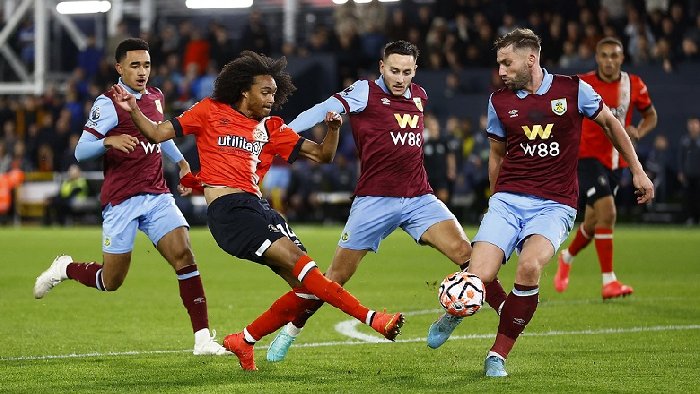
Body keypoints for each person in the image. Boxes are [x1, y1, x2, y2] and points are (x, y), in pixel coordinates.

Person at [111, 50, 404, 371]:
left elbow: (322, 156)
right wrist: (134, 109)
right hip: (230, 212)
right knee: (303, 267)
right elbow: (155, 133)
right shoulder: (209, 111)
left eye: (274, 94)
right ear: (243, 90)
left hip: (261, 209)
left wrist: (333, 129)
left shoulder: (271, 127)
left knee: (308, 288)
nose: (270, 99)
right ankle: (374, 318)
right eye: (264, 92)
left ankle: (245, 340)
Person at [263, 40, 508, 363]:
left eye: (406, 72)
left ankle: (468, 312)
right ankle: (290, 331)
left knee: (469, 256)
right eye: (394, 70)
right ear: (382, 67)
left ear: (415, 72)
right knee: (334, 278)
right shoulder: (365, 92)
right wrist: (283, 132)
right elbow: (321, 109)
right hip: (374, 202)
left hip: (420, 198)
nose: (400, 78)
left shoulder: (420, 96)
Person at [428, 28, 654, 377]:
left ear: (530, 58)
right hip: (508, 201)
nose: (501, 71)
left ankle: (497, 354)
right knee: (480, 273)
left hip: (555, 204)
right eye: (499, 63)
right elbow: (496, 155)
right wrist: (495, 200)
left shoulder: (573, 90)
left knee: (529, 267)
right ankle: (458, 308)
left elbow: (611, 123)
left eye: (507, 62)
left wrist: (637, 170)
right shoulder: (499, 101)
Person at [33, 38, 228, 356]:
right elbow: (81, 151)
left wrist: (179, 161)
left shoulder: (155, 96)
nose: (142, 72)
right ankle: (65, 268)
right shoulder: (107, 102)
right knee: (112, 281)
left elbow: (158, 133)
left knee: (183, 254)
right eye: (135, 65)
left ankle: (203, 338)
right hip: (121, 200)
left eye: (147, 65)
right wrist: (109, 140)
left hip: (156, 194)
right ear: (119, 68)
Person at [554, 37, 658, 299]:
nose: (609, 61)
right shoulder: (581, 84)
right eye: (604, 56)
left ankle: (567, 257)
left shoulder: (634, 85)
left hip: (616, 160)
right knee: (608, 212)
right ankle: (609, 281)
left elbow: (651, 114)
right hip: (585, 158)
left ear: (622, 58)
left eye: (614, 56)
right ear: (597, 58)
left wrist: (640, 131)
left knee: (592, 222)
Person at [678, 116, 700, 225]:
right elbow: (680, 157)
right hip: (688, 174)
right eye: (690, 124)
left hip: (698, 175)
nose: (693, 126)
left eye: (695, 124)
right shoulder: (684, 141)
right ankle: (691, 218)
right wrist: (681, 171)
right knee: (689, 197)